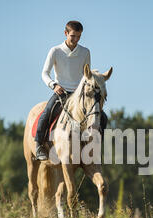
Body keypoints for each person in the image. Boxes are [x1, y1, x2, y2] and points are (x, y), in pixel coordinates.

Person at [35, 20, 108, 161]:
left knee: (102, 116)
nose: (76, 40)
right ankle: (38, 145)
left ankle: (95, 148)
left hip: (79, 94)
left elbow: (87, 75)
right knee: (47, 112)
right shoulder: (55, 51)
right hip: (61, 91)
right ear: (65, 33)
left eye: (79, 36)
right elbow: (44, 73)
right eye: (73, 36)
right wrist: (54, 85)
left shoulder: (85, 52)